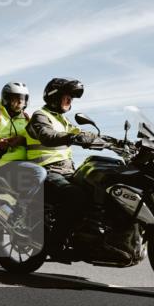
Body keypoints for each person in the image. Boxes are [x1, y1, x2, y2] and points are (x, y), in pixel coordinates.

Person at [24, 78, 100, 254]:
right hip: (45, 170)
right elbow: (47, 135)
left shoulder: (63, 121)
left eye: (71, 98)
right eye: (67, 97)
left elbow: (80, 133)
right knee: (76, 196)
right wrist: (72, 137)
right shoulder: (40, 116)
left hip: (67, 171)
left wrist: (110, 141)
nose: (69, 101)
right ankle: (54, 242)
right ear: (54, 96)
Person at [0, 82, 47, 234]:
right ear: (6, 99)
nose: (20, 102)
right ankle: (17, 215)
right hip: (6, 163)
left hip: (27, 163)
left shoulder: (26, 118)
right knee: (39, 173)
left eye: (24, 99)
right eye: (16, 98)